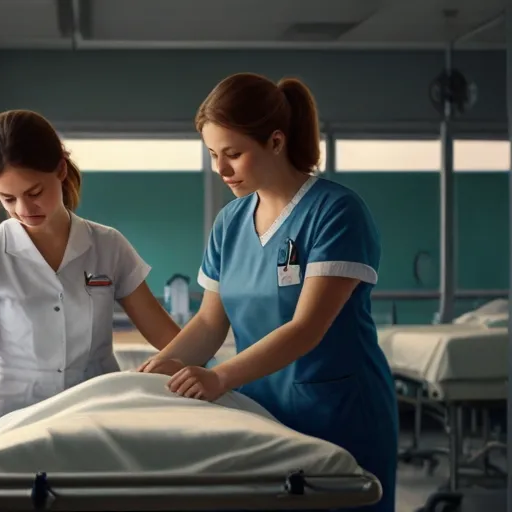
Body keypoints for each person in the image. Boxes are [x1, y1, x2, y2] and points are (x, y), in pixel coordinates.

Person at [139, 73, 398, 512]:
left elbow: (306, 328)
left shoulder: (336, 212)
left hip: (336, 414)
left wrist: (218, 377)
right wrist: (161, 367)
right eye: (213, 155)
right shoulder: (231, 222)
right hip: (260, 414)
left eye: (233, 155)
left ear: (276, 142)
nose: (221, 170)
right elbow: (207, 323)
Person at [0, 109, 182, 457]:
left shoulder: (107, 245)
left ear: (61, 170)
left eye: (34, 191)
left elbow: (168, 338)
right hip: (10, 420)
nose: (24, 208)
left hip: (95, 415)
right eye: (8, 199)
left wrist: (205, 373)